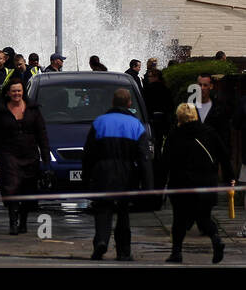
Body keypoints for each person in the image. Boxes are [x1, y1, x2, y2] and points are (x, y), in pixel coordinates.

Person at [82, 88, 152, 261]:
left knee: (103, 210)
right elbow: (144, 158)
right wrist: (148, 185)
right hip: (127, 173)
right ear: (129, 103)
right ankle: (124, 250)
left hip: (102, 172)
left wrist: (86, 177)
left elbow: (88, 153)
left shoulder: (100, 122)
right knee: (123, 212)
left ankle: (101, 241)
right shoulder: (136, 125)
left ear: (112, 102)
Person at [164, 102, 229, 263]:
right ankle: (216, 239)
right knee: (204, 217)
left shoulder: (175, 134)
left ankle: (176, 252)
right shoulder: (209, 132)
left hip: (181, 183)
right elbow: (223, 155)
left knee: (179, 219)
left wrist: (159, 184)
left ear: (179, 116)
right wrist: (230, 177)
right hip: (206, 183)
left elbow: (165, 161)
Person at [0, 78, 50, 236]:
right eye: (13, 91)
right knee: (11, 187)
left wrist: (46, 156)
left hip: (30, 154)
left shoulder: (33, 109)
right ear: (8, 92)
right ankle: (13, 221)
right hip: (9, 154)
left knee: (27, 190)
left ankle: (23, 220)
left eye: (19, 90)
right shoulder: (0, 110)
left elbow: (42, 134)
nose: (16, 93)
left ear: (23, 92)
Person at [189, 73, 232, 151]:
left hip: (212, 153)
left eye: (205, 85)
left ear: (211, 86)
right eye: (199, 85)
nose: (202, 88)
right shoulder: (189, 107)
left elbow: (224, 134)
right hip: (193, 153)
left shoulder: (218, 108)